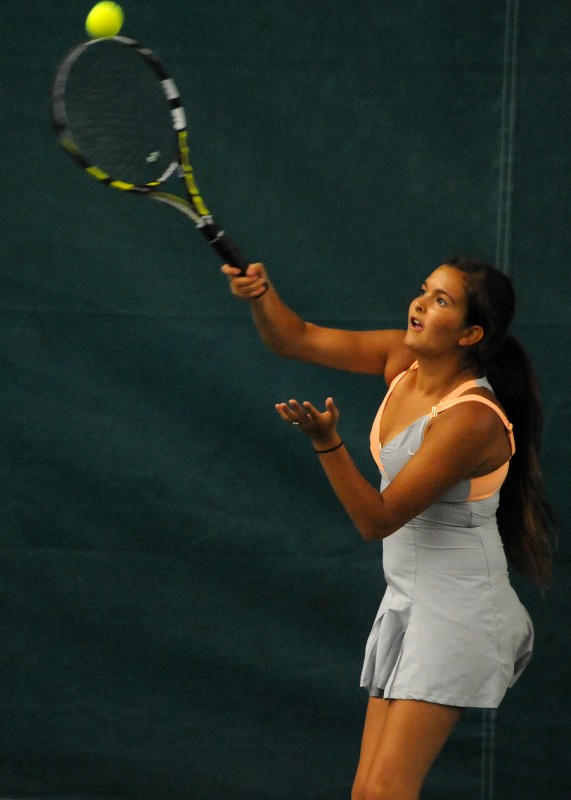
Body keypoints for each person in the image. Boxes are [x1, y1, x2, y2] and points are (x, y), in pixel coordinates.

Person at [222, 256, 553, 800]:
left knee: (384, 792)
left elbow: (377, 520)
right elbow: (295, 337)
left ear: (471, 334)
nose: (420, 304)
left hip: (461, 612)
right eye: (424, 291)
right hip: (408, 602)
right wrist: (260, 295)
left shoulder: (470, 418)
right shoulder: (401, 360)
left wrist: (327, 443)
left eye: (441, 300)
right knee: (369, 793)